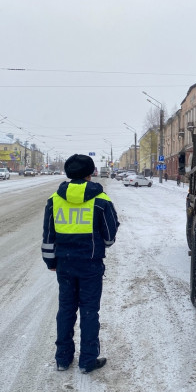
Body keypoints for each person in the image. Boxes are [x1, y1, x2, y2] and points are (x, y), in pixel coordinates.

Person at [42, 154, 120, 374]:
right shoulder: (101, 200)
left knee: (65, 310)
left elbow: (48, 236)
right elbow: (109, 237)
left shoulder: (54, 200)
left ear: (68, 173)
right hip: (90, 265)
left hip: (65, 265)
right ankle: (87, 360)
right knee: (89, 311)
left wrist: (51, 261)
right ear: (90, 173)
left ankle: (63, 359)